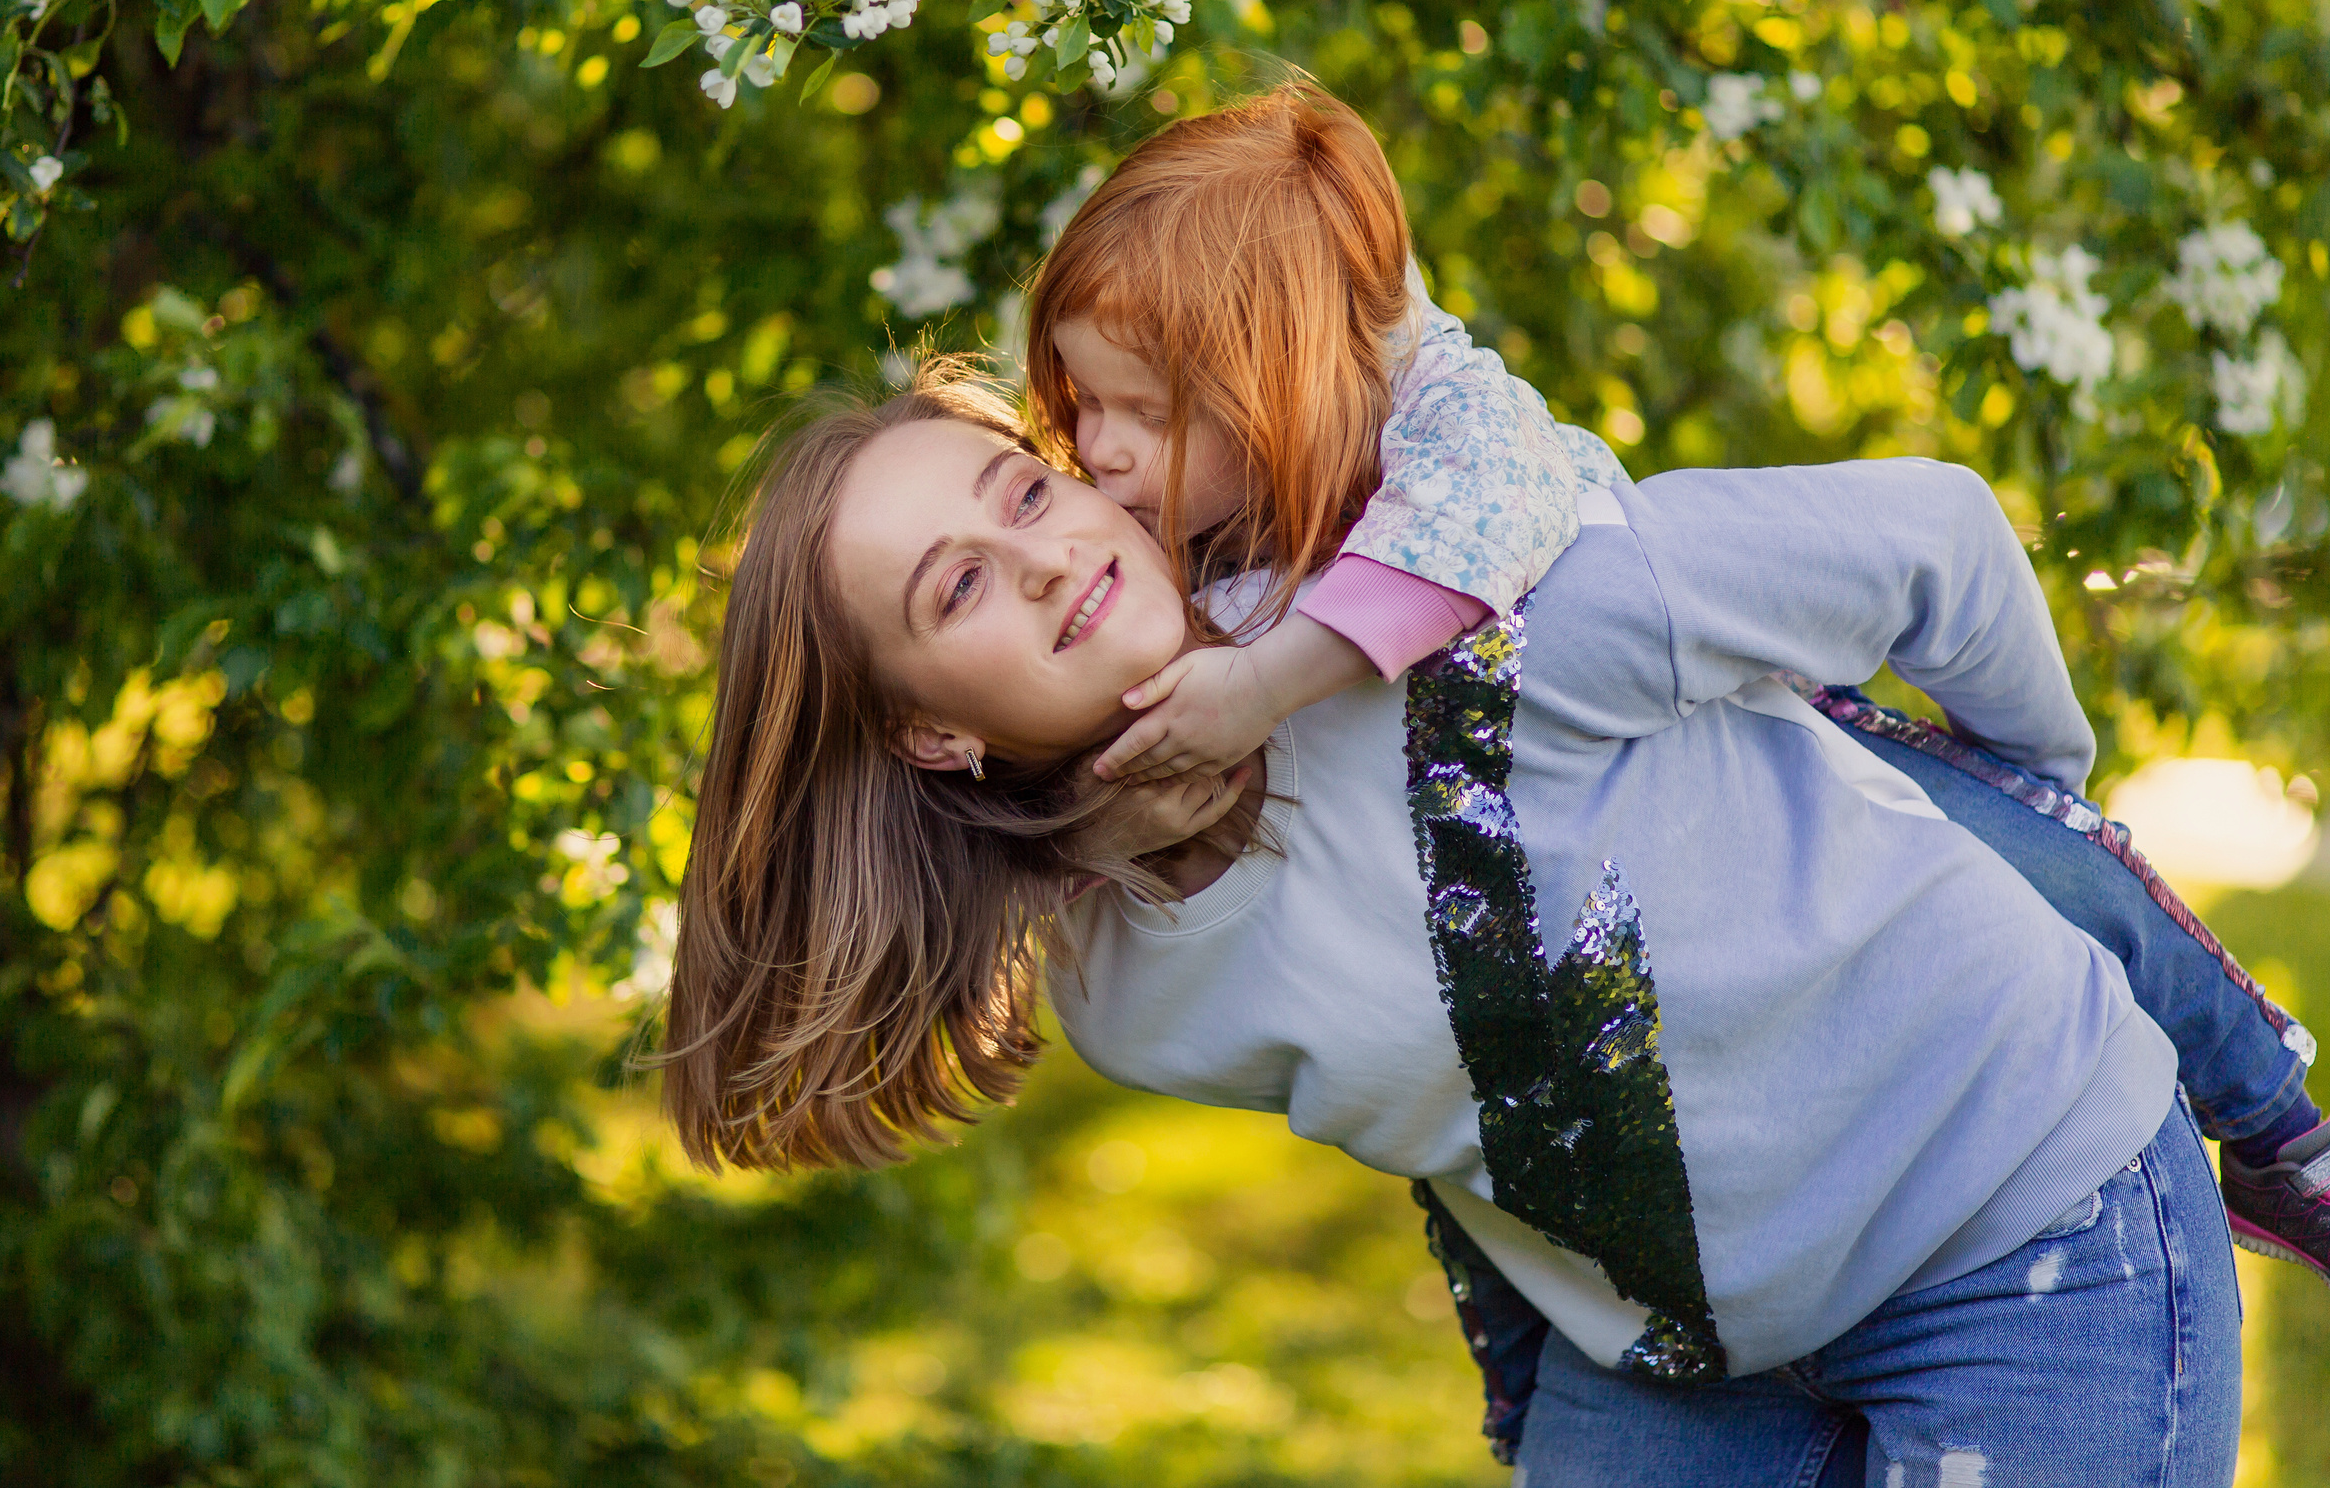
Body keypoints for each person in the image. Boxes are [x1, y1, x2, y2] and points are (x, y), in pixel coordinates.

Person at [666, 376, 2241, 1482]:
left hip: (2025, 1218)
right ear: (932, 737)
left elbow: (1940, 540)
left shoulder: (1453, 606)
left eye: (1025, 490)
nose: (1045, 554)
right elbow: (1438, 1071)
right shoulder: (1129, 993)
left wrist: (2047, 803)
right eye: (960, 591)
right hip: (1691, 1357)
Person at [1021, 86, 2327, 1311]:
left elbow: (1470, 548)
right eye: (1086, 399)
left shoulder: (1437, 407)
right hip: (1597, 975)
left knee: (2053, 864)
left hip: (1740, 719)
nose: (1100, 448)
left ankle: (2275, 1120)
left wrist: (2026, 775)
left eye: (1142, 407)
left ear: (1279, 383)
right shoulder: (1209, 526)